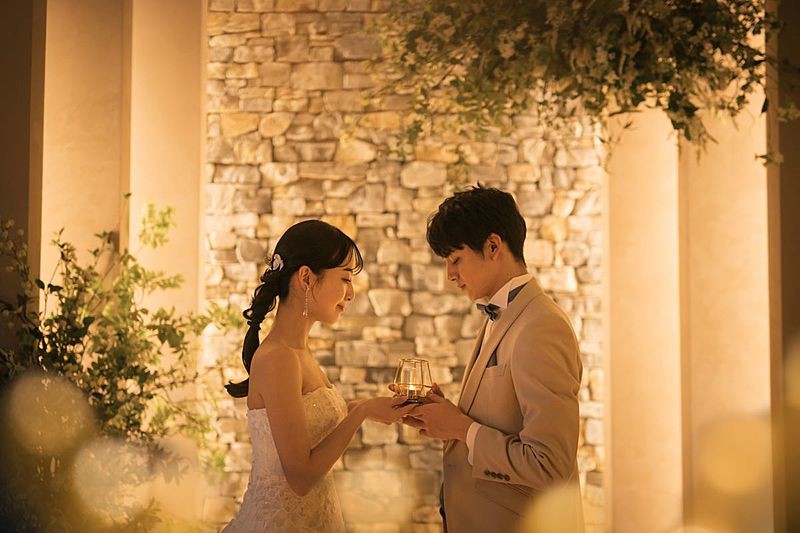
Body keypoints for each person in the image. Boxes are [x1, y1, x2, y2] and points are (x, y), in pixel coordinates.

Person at [404, 185, 584, 532]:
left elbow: (549, 465)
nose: (450, 275)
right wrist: (449, 417)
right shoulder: (500, 316)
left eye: (455, 260)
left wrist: (461, 429)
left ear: (492, 246)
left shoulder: (541, 325)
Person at [223, 220, 414, 533]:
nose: (351, 293)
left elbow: (309, 431)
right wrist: (361, 413)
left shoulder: (299, 352)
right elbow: (300, 477)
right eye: (345, 278)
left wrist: (362, 408)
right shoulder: (278, 358)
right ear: (306, 278)